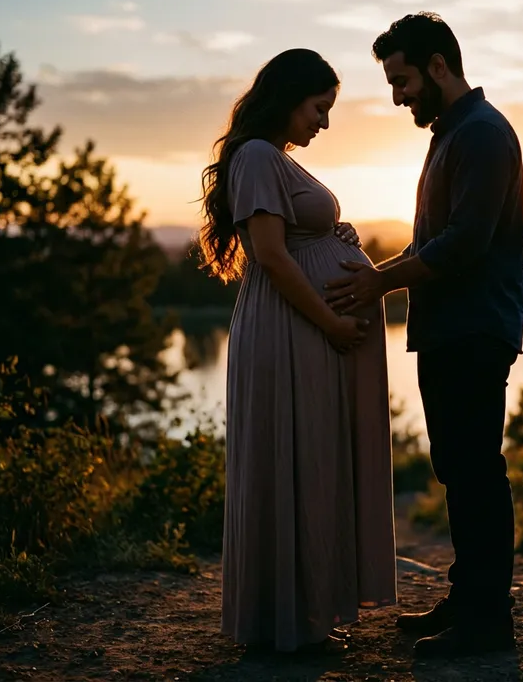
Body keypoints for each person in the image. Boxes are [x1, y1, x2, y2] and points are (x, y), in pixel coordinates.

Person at [324, 13, 523, 657]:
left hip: (475, 328)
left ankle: (488, 622)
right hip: (446, 329)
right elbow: (428, 242)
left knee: (476, 472)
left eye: (403, 80)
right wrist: (373, 274)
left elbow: (464, 244)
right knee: (456, 470)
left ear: (439, 65)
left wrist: (379, 283)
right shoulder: (451, 134)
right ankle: (469, 599)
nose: (398, 96)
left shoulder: (483, 134)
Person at [199, 48, 397, 653]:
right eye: (318, 108)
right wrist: (331, 323)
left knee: (310, 461)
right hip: (290, 329)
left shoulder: (274, 158)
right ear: (288, 99)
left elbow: (293, 240)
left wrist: (334, 237)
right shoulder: (259, 155)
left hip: (299, 327)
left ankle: (302, 613)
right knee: (296, 459)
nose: (324, 123)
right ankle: (290, 623)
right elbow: (270, 255)